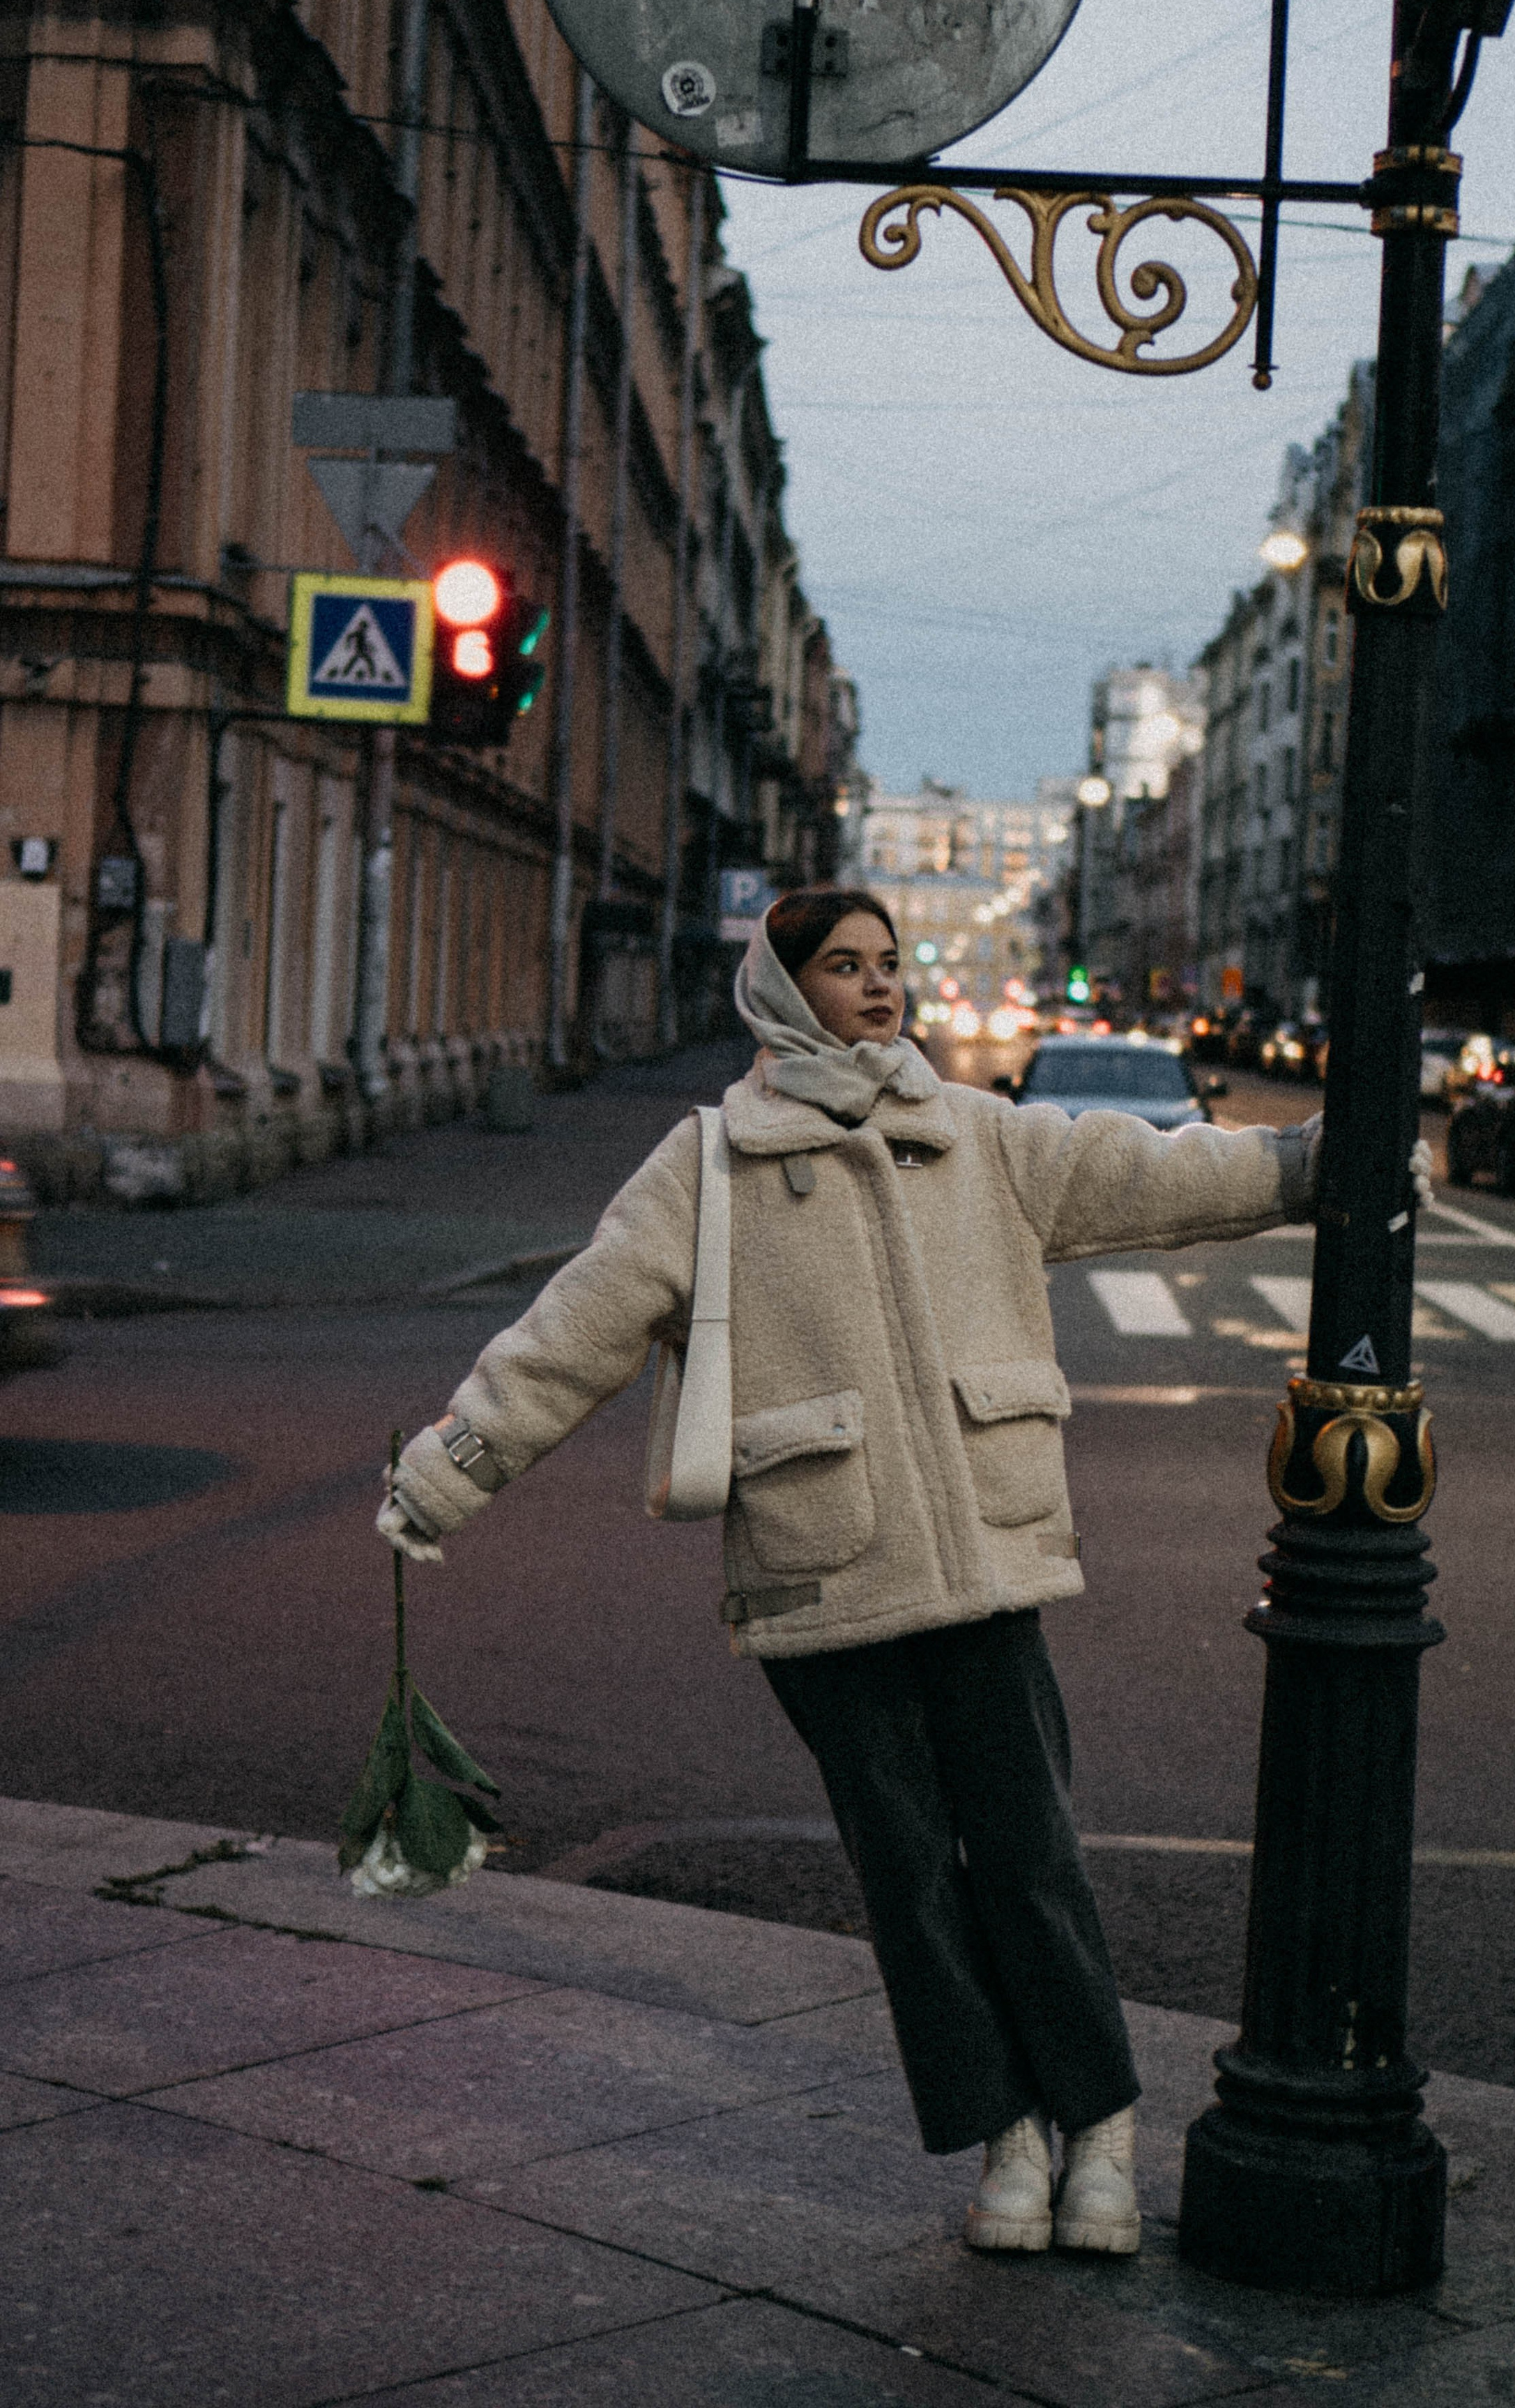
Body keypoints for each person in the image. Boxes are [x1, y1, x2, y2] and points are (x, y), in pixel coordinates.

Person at [376, 887, 1334, 2257]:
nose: (880, 987)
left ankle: (1102, 2131)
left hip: (984, 1558)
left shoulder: (977, 1137)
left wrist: (1305, 1164)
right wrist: (446, 1470)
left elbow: (1156, 1174)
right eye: (845, 966)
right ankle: (1005, 2135)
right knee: (907, 1874)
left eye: (889, 965)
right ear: (779, 989)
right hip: (820, 1571)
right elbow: (573, 1330)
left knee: (1026, 1853)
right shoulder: (707, 1166)